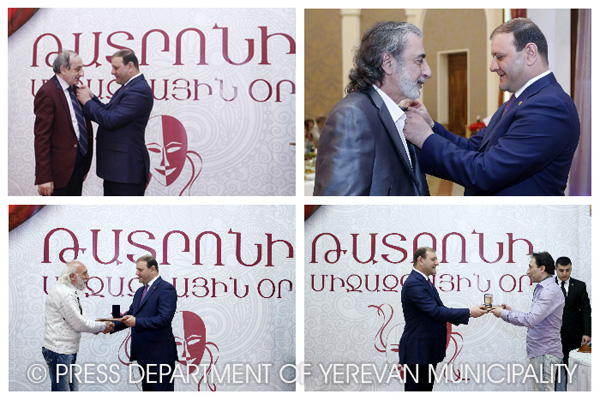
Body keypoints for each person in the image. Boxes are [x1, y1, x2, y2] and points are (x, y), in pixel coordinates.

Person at [403, 18, 580, 195]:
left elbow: (486, 173)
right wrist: (430, 126)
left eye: (500, 57)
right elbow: (473, 147)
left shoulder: (549, 106)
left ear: (530, 53)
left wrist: (425, 138)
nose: (492, 66)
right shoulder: (519, 101)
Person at [314, 21, 430, 196]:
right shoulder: (352, 116)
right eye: (419, 61)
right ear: (388, 63)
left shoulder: (396, 113)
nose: (427, 72)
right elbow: (340, 207)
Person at [399, 247, 487, 391]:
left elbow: (438, 310)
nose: (437, 263)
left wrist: (469, 312)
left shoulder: (423, 281)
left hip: (426, 351)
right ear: (420, 260)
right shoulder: (414, 283)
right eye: (433, 259)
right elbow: (435, 311)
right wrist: (469, 312)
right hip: (418, 351)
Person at [77, 49, 153, 196]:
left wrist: (86, 101)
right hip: (117, 169)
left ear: (130, 66)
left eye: (116, 67)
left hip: (125, 170)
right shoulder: (129, 87)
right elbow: (109, 111)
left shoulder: (139, 90)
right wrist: (92, 98)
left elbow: (110, 120)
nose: (112, 72)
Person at [491, 252, 564, 391]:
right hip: (541, 353)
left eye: (530, 267)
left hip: (544, 353)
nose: (527, 271)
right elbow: (534, 317)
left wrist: (503, 313)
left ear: (542, 268)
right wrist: (511, 312)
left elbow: (530, 320)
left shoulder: (548, 291)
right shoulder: (545, 288)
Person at [42, 261, 114, 391]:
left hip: (62, 350)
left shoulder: (64, 290)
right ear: (72, 277)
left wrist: (100, 326)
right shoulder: (65, 294)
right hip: (60, 352)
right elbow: (78, 324)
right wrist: (103, 326)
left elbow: (75, 321)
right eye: (84, 273)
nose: (88, 277)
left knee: (70, 389)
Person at [112, 255, 177, 391]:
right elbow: (130, 315)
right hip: (144, 355)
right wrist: (110, 326)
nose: (136, 273)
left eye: (140, 270)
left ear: (152, 269)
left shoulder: (166, 289)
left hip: (160, 356)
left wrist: (137, 322)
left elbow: (164, 319)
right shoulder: (140, 292)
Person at [34, 50, 94, 196]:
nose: (82, 74)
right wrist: (44, 177)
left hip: (78, 168)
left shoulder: (76, 91)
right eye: (77, 69)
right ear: (63, 69)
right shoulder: (47, 93)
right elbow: (42, 137)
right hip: (59, 173)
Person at [554, 256, 591, 390]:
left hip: (573, 334)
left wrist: (587, 332)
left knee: (572, 370)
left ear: (571, 269)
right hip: (552, 334)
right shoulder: (547, 286)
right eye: (561, 270)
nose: (564, 273)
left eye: (568, 270)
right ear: (556, 269)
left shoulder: (580, 285)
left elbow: (586, 310)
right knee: (552, 370)